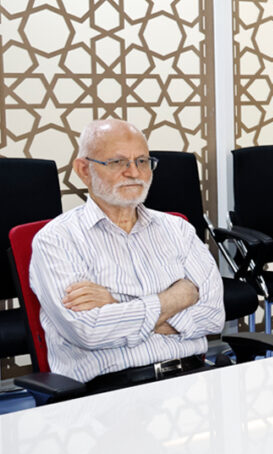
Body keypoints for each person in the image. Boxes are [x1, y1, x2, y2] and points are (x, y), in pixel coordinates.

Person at [29, 119, 225, 388]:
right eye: (117, 162)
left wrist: (115, 305)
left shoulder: (178, 229)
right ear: (84, 170)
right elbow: (89, 331)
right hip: (112, 389)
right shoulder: (56, 240)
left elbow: (213, 316)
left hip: (193, 378)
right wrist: (175, 298)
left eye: (142, 161)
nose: (134, 173)